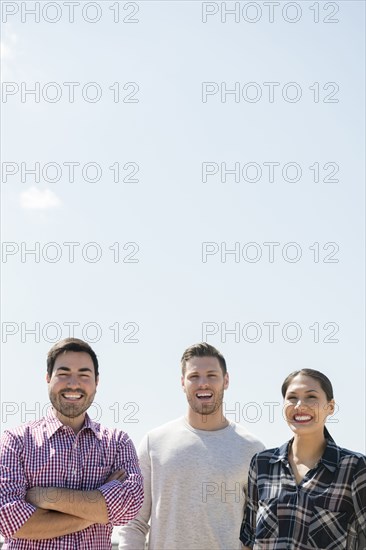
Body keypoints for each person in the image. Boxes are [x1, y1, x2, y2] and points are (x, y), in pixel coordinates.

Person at [0, 338, 144, 549]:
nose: (73, 383)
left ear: (97, 381)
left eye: (84, 375)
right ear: (48, 378)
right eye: (64, 374)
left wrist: (46, 498)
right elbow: (8, 519)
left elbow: (128, 507)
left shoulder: (117, 442)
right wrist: (101, 510)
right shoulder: (16, 441)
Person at [119, 342, 264, 550]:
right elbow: (134, 522)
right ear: (182, 383)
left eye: (212, 375)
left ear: (226, 380)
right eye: (194, 376)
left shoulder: (253, 449)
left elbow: (257, 531)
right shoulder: (154, 442)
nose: (203, 383)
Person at [240, 368, 366, 550]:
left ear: (330, 407)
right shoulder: (262, 464)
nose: (300, 405)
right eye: (292, 397)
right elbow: (248, 540)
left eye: (311, 397)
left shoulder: (354, 467)